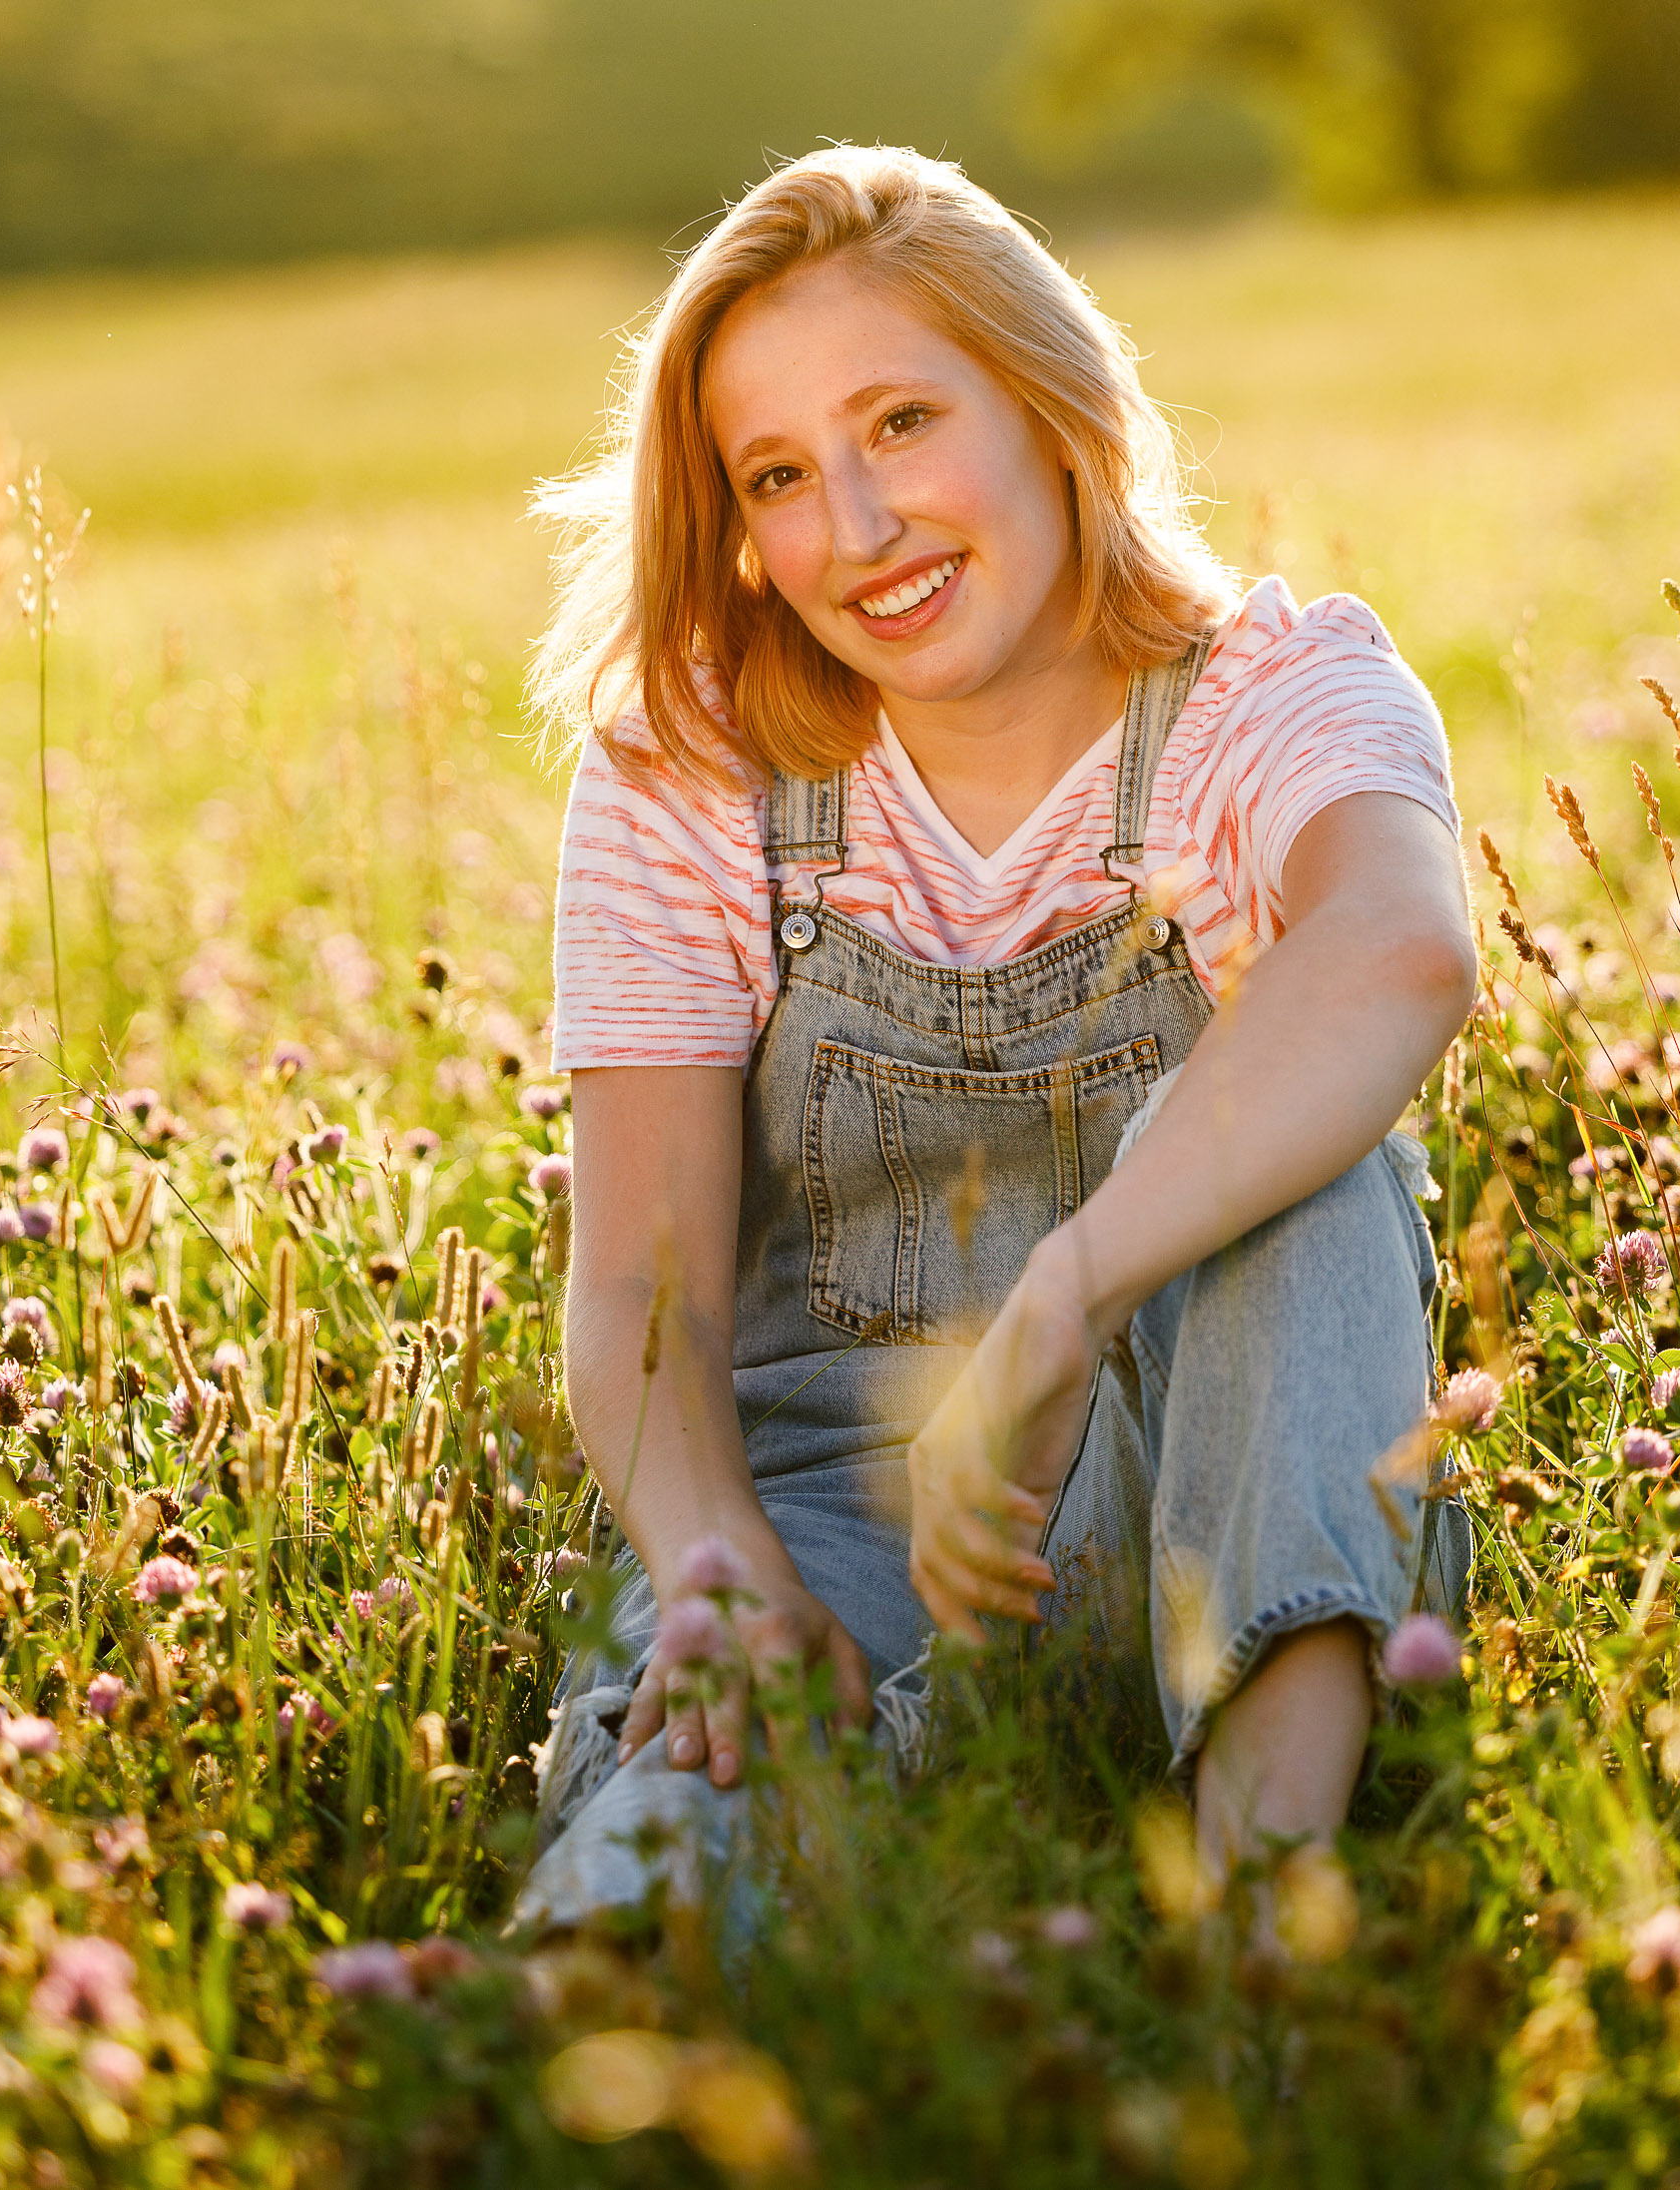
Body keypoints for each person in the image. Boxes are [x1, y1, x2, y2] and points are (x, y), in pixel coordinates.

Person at [513, 144, 1474, 1935]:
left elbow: (1400, 948)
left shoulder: (1275, 694)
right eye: (781, 475)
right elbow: (646, 1289)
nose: (857, 532)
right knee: (647, 1894)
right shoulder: (687, 772)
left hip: (1195, 1502)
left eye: (899, 423)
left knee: (1317, 1194)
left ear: (1052, 405)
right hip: (823, 1520)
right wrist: (713, 1560)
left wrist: (1064, 1298)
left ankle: (1265, 1939)